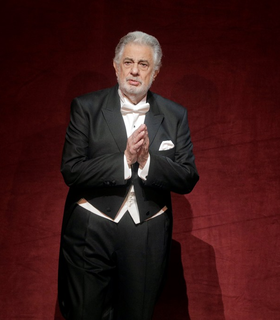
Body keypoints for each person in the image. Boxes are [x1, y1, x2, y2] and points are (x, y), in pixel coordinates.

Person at [58, 31, 199, 320]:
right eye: (128, 62)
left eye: (143, 64)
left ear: (155, 72)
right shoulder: (86, 108)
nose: (134, 70)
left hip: (146, 232)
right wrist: (124, 160)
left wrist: (147, 160)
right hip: (91, 229)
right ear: (115, 65)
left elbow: (187, 177)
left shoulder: (175, 115)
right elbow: (71, 170)